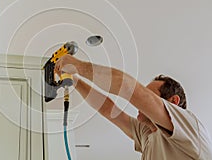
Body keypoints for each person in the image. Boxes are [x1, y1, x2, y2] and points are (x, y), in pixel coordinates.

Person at [55, 54, 212, 159]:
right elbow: (107, 109)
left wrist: (77, 66)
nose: (140, 103)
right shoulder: (148, 133)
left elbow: (128, 88)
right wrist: (74, 79)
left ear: (173, 102)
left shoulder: (189, 128)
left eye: (149, 96)